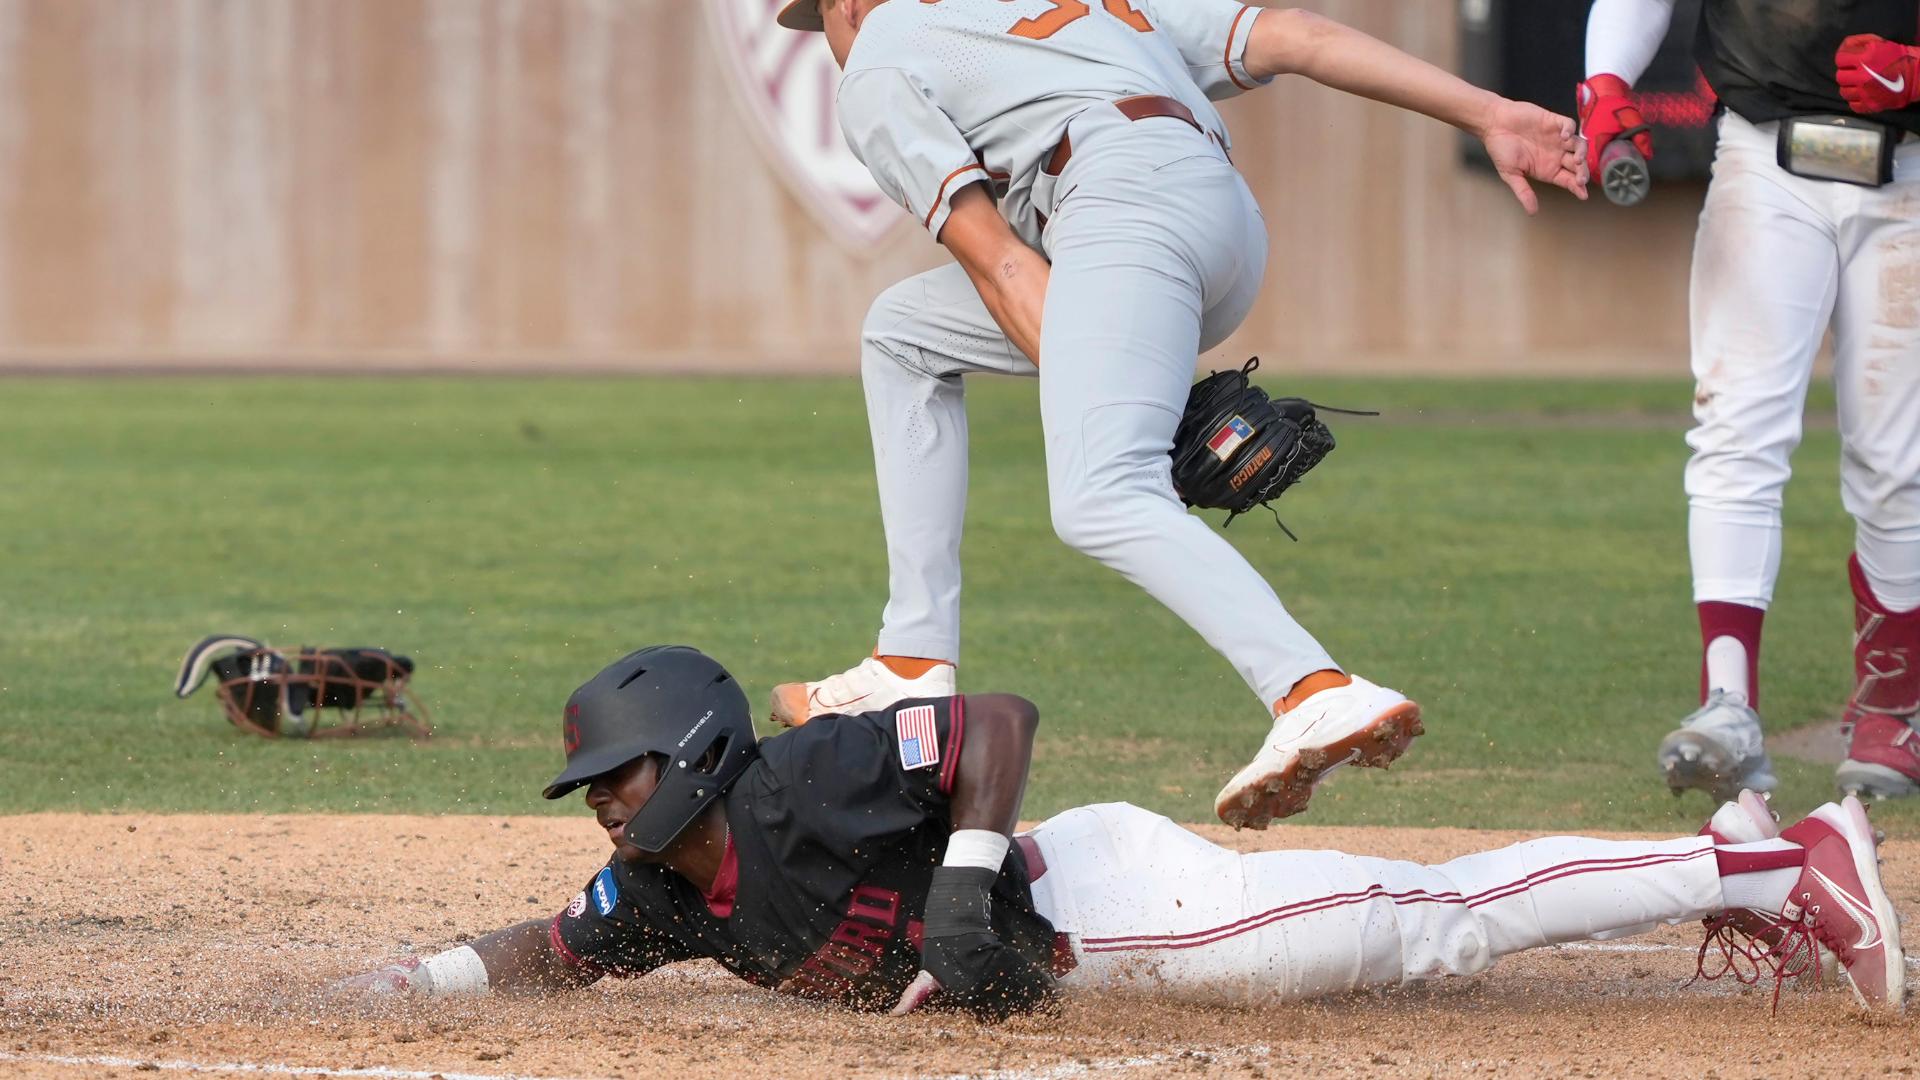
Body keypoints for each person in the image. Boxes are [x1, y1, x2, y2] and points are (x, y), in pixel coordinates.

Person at [760, 0, 1590, 831]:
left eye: (818, 18)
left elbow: (1006, 264)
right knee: (904, 336)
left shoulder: (878, 57)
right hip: (1219, 221)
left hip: (1117, 210)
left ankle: (1311, 689)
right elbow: (1300, 38)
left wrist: (1124, 393)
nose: (827, 39)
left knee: (1102, 492)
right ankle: (911, 654)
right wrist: (1490, 112)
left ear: (848, 4)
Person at [330, 646, 1905, 1017]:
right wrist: (391, 993)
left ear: (685, 760)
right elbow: (550, 949)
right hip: (1080, 928)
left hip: (1118, 901)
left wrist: (956, 882)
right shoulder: (666, 891)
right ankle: (1748, 846)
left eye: (610, 780)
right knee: (1423, 927)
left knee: (1426, 921)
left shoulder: (797, 783)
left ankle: (1771, 860)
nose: (602, 809)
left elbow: (993, 722)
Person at [1579, 2, 1920, 801]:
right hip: (1766, 158)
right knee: (1736, 430)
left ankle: (1894, 706)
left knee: (1897, 459)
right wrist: (1607, 78)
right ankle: (1727, 705)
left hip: (1911, 169)